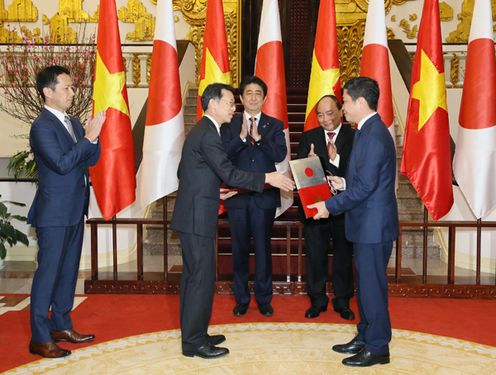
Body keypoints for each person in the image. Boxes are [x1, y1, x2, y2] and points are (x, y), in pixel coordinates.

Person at [171, 83, 294, 359]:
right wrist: (268, 178)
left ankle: (197, 333)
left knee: (197, 278)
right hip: (196, 216)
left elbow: (186, 170)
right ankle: (194, 342)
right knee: (200, 279)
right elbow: (229, 171)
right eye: (229, 102)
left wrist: (212, 188)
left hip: (196, 212)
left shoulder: (204, 131)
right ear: (213, 104)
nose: (233, 107)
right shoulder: (208, 133)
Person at [308, 77, 398, 367]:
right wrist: (343, 182)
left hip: (373, 226)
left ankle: (377, 347)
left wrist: (328, 206)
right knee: (366, 286)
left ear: (360, 102)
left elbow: (366, 188)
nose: (342, 107)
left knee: (372, 288)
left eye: (345, 101)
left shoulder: (372, 135)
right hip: (366, 224)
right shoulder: (366, 130)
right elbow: (363, 181)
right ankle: (365, 335)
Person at [28, 65, 105, 358]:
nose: (73, 92)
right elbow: (61, 164)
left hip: (75, 209)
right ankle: (39, 337)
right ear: (48, 92)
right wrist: (87, 138)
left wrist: (92, 137)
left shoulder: (72, 122)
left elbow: (90, 159)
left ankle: (61, 325)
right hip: (54, 214)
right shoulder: (42, 126)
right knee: (48, 274)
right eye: (67, 88)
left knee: (68, 272)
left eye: (73, 88)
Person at [220, 76, 287, 317]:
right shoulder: (229, 124)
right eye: (249, 93)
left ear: (265, 98)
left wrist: (260, 139)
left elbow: (280, 154)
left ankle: (264, 298)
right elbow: (223, 156)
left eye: (258, 93)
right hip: (236, 197)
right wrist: (240, 138)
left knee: (262, 248)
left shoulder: (274, 125)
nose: (253, 97)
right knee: (238, 249)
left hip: (264, 197)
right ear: (241, 98)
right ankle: (241, 298)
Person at [296, 95, 355, 320]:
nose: (325, 119)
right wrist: (309, 163)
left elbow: (356, 173)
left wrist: (336, 158)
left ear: (340, 111)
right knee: (315, 257)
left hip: (343, 208)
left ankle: (342, 301)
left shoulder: (354, 136)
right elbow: (300, 173)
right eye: (320, 115)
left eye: (329, 113)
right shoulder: (309, 137)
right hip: (315, 209)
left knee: (343, 256)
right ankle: (317, 300)